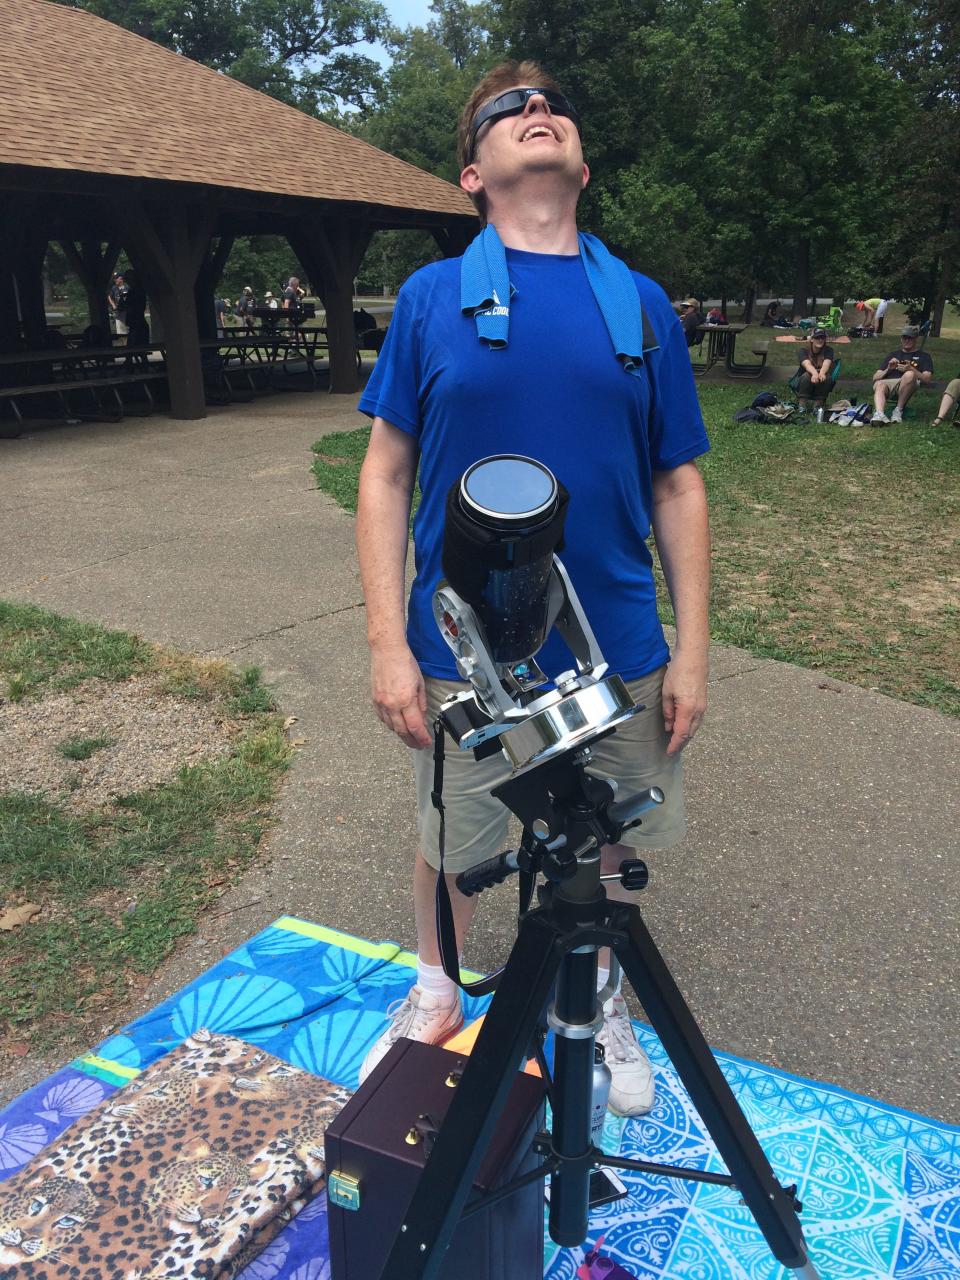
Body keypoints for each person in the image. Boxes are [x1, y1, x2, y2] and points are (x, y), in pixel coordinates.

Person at [354, 61, 711, 1117]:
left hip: (617, 641)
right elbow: (383, 474)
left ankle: (598, 991)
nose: (534, 112)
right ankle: (435, 985)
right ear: (474, 173)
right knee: (452, 841)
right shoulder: (431, 300)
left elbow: (677, 478)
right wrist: (385, 641)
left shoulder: (639, 304)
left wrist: (694, 647)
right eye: (506, 112)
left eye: (550, 107)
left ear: (582, 164)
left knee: (601, 830)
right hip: (462, 645)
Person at [871, 325, 933, 424]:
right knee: (879, 384)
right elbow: (875, 377)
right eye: (905, 338)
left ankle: (898, 411)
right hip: (889, 384)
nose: (907, 340)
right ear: (901, 339)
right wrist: (888, 369)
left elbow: (927, 379)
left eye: (910, 338)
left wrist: (912, 369)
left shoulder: (924, 356)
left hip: (909, 382)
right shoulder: (893, 355)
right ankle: (879, 414)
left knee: (909, 374)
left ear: (916, 338)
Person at [793, 327, 836, 412]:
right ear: (812, 339)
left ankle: (818, 405)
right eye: (817, 338)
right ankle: (802, 404)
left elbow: (827, 363)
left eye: (822, 338)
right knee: (806, 376)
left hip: (821, 378)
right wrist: (814, 373)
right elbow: (807, 364)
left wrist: (822, 373)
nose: (820, 340)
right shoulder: (803, 350)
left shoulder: (829, 350)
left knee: (826, 378)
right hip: (803, 379)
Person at [122, 271, 149, 350]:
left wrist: (125, 304)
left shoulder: (135, 291)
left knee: (134, 347)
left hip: (136, 322)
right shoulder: (137, 290)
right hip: (137, 322)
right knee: (138, 349)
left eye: (128, 279)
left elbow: (130, 306)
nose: (127, 282)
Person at [109, 273, 128, 345]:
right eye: (114, 279)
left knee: (127, 332)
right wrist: (113, 305)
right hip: (119, 314)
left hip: (127, 313)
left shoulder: (127, 287)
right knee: (120, 333)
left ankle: (128, 347)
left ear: (121, 279)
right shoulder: (114, 288)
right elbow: (110, 297)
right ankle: (123, 347)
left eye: (116, 278)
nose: (115, 280)